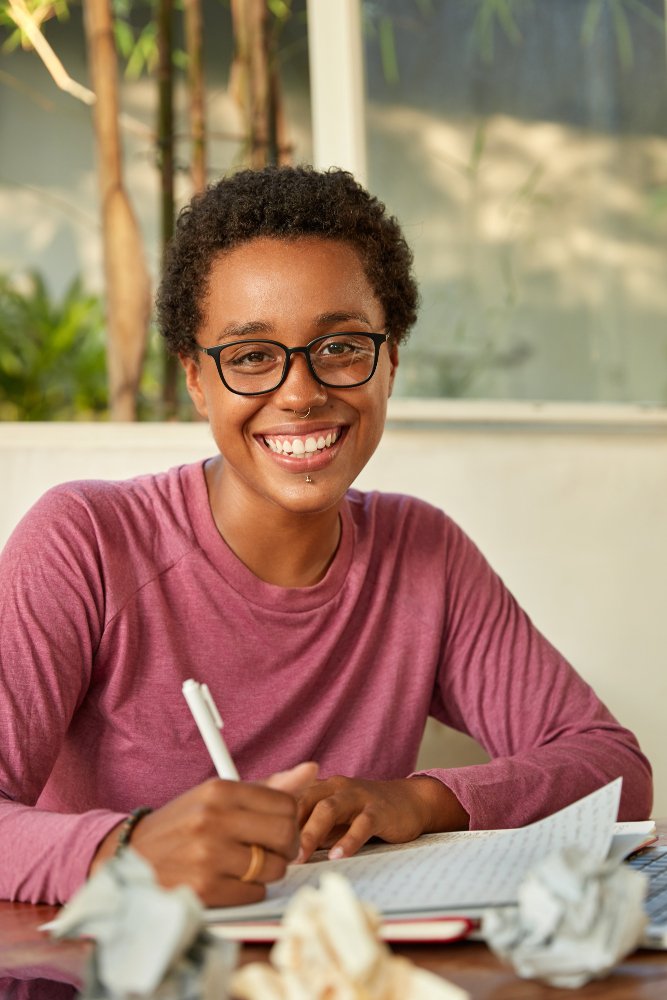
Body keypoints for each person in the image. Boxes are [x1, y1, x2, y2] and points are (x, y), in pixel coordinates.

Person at [0, 165, 652, 908]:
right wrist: (127, 852)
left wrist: (418, 800)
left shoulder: (422, 552)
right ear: (196, 380)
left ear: (390, 362)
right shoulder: (85, 543)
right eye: (251, 356)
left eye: (340, 346)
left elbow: (613, 771)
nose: (301, 393)